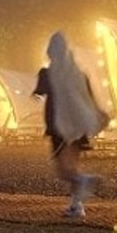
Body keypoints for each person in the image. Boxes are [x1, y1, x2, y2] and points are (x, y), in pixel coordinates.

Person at [33, 30, 110, 218]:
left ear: (50, 52)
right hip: (78, 126)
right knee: (73, 166)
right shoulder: (79, 75)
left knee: (63, 171)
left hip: (59, 127)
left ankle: (86, 180)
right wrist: (98, 114)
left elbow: (39, 93)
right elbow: (89, 99)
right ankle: (77, 206)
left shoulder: (47, 74)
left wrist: (35, 94)